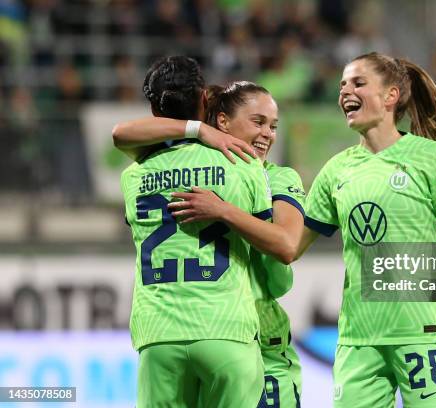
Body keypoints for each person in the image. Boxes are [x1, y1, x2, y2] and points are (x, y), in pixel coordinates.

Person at [296, 52, 436, 407]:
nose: (346, 90)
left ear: (391, 96)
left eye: (358, 83)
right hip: (359, 341)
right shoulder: (336, 170)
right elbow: (290, 245)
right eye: (343, 84)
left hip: (423, 334)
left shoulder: (433, 158)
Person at [114, 80, 305, 407]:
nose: (268, 134)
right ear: (222, 123)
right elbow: (122, 134)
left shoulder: (275, 175)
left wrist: (223, 209)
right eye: (258, 122)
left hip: (253, 334)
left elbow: (286, 246)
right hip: (231, 330)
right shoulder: (249, 172)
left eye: (273, 126)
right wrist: (197, 131)